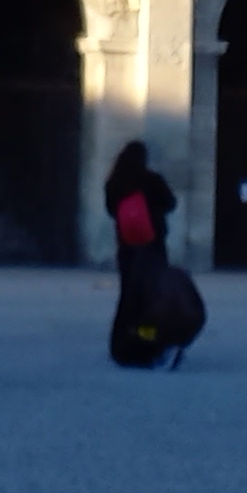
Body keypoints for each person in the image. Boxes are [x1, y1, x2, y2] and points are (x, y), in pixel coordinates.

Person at [106, 141, 180, 358]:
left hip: (127, 245)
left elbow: (111, 209)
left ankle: (119, 341)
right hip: (151, 244)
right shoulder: (151, 180)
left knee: (127, 295)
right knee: (150, 299)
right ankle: (146, 341)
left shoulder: (115, 182)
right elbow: (170, 203)